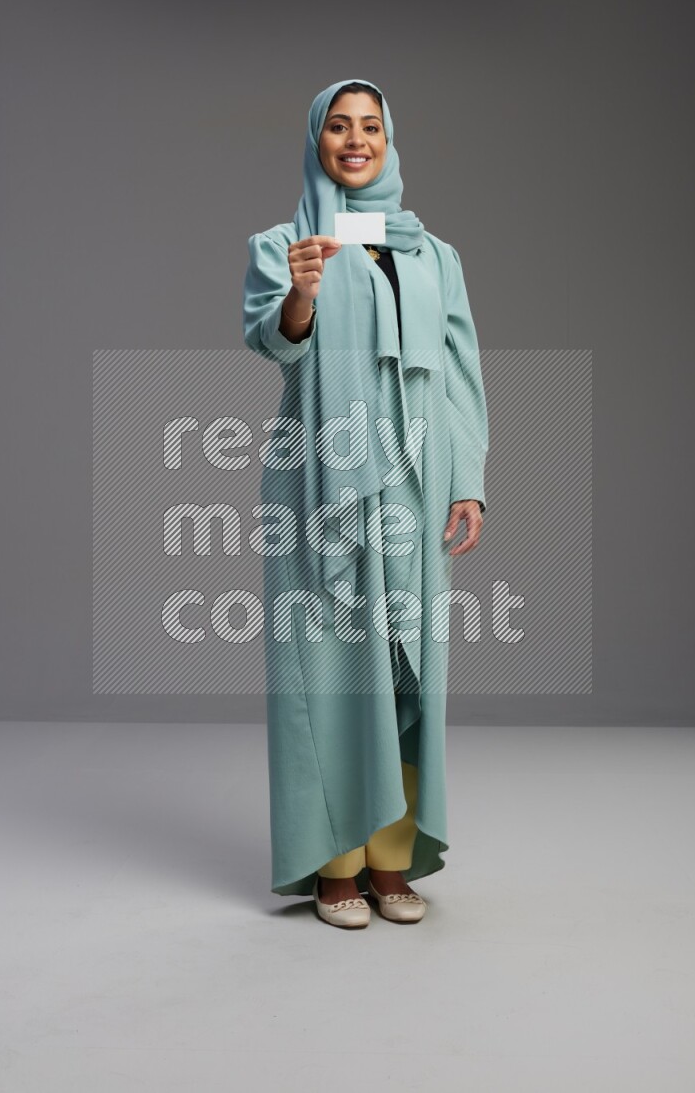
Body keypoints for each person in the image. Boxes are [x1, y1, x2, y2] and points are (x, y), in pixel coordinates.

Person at [242, 78, 488, 928]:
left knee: (404, 672)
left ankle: (391, 861)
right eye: (339, 127)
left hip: (417, 488)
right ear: (316, 141)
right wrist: (303, 293)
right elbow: (272, 340)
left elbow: (459, 374)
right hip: (321, 487)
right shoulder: (285, 243)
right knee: (330, 674)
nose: (356, 140)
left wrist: (469, 481)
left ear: (390, 139)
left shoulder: (434, 255)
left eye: (371, 126)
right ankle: (333, 866)